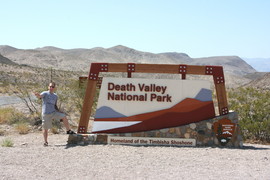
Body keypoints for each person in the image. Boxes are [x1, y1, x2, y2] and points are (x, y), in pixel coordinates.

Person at [34, 82, 75, 146]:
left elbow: (55, 105)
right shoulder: (45, 93)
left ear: (54, 88)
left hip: (53, 112)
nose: (51, 88)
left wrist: (59, 111)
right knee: (45, 128)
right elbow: (40, 96)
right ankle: (45, 142)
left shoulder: (55, 96)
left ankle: (68, 130)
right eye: (50, 86)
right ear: (48, 87)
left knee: (64, 116)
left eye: (52, 87)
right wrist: (37, 95)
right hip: (46, 114)